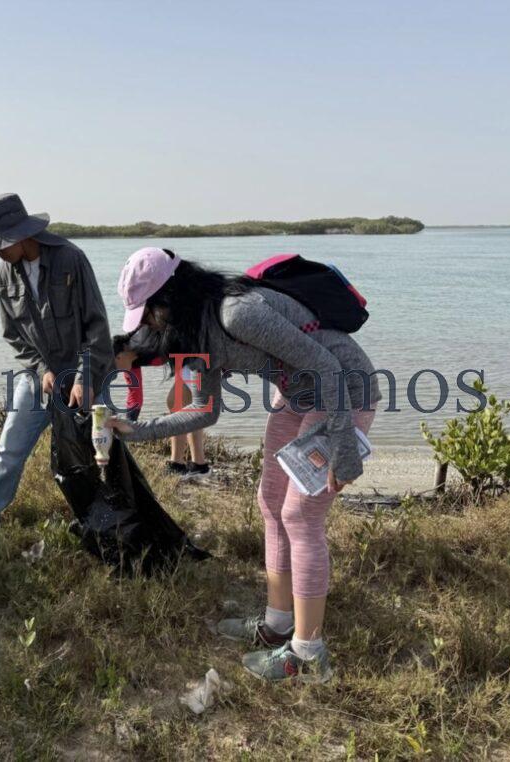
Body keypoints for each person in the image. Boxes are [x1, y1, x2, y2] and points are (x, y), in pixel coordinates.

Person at [106, 246, 380, 683]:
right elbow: (206, 411)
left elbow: (327, 364)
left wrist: (345, 450)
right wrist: (136, 431)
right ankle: (276, 627)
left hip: (342, 388)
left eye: (151, 312)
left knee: (299, 515)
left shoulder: (237, 313)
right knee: (270, 503)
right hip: (296, 394)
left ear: (172, 297)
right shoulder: (199, 336)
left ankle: (308, 657)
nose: (150, 324)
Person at [0, 193, 114, 539]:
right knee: (9, 449)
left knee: (94, 456)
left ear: (22, 235)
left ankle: (101, 524)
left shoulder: (72, 259)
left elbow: (96, 326)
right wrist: (42, 370)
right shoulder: (1, 277)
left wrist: (85, 378)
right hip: (39, 379)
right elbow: (13, 336)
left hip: (87, 373)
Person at [112, 330, 209, 478]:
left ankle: (177, 465)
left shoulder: (145, 339)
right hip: (183, 360)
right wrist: (128, 427)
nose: (116, 370)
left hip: (195, 348)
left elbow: (178, 330)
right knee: (186, 407)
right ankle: (199, 466)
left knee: (177, 402)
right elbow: (135, 397)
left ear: (121, 354)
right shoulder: (130, 364)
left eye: (115, 364)